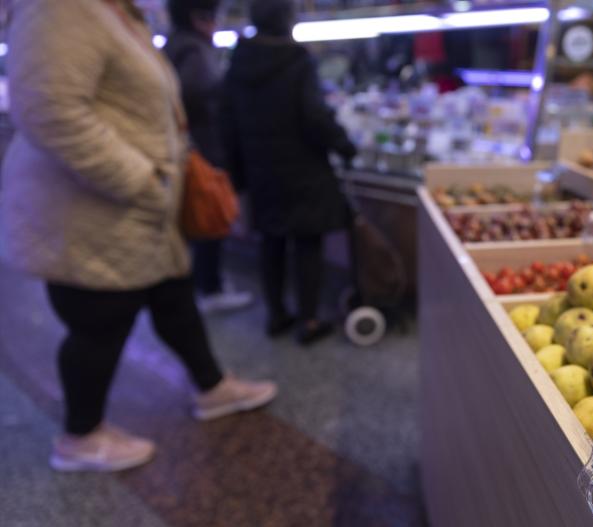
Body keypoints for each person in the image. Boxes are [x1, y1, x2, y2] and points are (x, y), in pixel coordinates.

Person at [1, 0, 277, 472]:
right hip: (90, 212)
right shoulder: (61, 8)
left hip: (134, 211)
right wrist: (141, 179)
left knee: (172, 295)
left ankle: (211, 387)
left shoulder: (117, 13)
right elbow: (50, 111)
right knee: (99, 321)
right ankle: (80, 438)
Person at [222, 0, 357, 345]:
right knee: (307, 243)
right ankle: (309, 320)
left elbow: (229, 124)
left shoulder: (239, 61)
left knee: (271, 241)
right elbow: (315, 116)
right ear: (288, 18)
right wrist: (343, 145)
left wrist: (237, 177)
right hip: (302, 169)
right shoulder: (296, 61)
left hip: (260, 170)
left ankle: (276, 314)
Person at [164, 0, 253, 314]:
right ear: (200, 16)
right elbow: (201, 94)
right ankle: (210, 288)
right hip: (203, 151)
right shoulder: (194, 51)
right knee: (209, 220)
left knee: (197, 221)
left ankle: (202, 282)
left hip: (189, 150)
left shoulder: (175, 45)